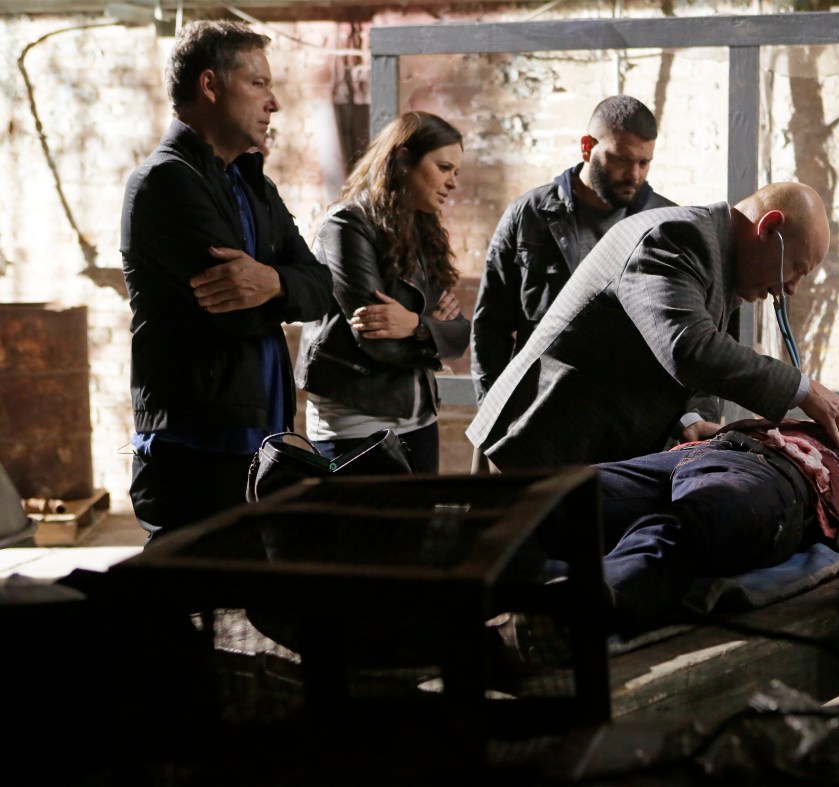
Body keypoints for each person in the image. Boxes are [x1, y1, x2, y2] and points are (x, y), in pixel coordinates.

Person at [467, 181, 839, 471]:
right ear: (769, 227)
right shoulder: (676, 237)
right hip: (533, 448)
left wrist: (688, 420)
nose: (790, 288)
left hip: (571, 455)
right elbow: (687, 348)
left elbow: (643, 348)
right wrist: (803, 389)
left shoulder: (714, 255)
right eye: (796, 268)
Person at [121, 21, 332, 542]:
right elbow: (236, 313)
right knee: (193, 583)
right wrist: (285, 286)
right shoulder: (164, 182)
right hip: (195, 447)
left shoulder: (253, 184)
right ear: (210, 85)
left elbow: (322, 288)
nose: (273, 103)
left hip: (259, 436)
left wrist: (273, 282)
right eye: (258, 83)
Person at [568, 405, 839, 632]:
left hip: (778, 474)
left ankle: (571, 611)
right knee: (562, 495)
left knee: (686, 526)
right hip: (709, 449)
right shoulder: (835, 421)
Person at [470, 95, 676, 409]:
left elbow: (688, 335)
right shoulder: (529, 215)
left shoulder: (666, 225)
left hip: (629, 413)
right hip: (540, 409)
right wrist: (492, 410)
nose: (634, 175)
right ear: (586, 147)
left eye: (643, 162)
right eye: (621, 159)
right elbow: (490, 326)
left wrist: (691, 416)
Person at [295, 112, 469, 473]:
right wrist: (431, 329)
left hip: (420, 417)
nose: (453, 182)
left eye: (456, 171)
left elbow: (460, 334)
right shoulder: (347, 225)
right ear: (404, 160)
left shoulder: (422, 231)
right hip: (356, 425)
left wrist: (415, 325)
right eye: (443, 167)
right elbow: (379, 343)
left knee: (422, 514)